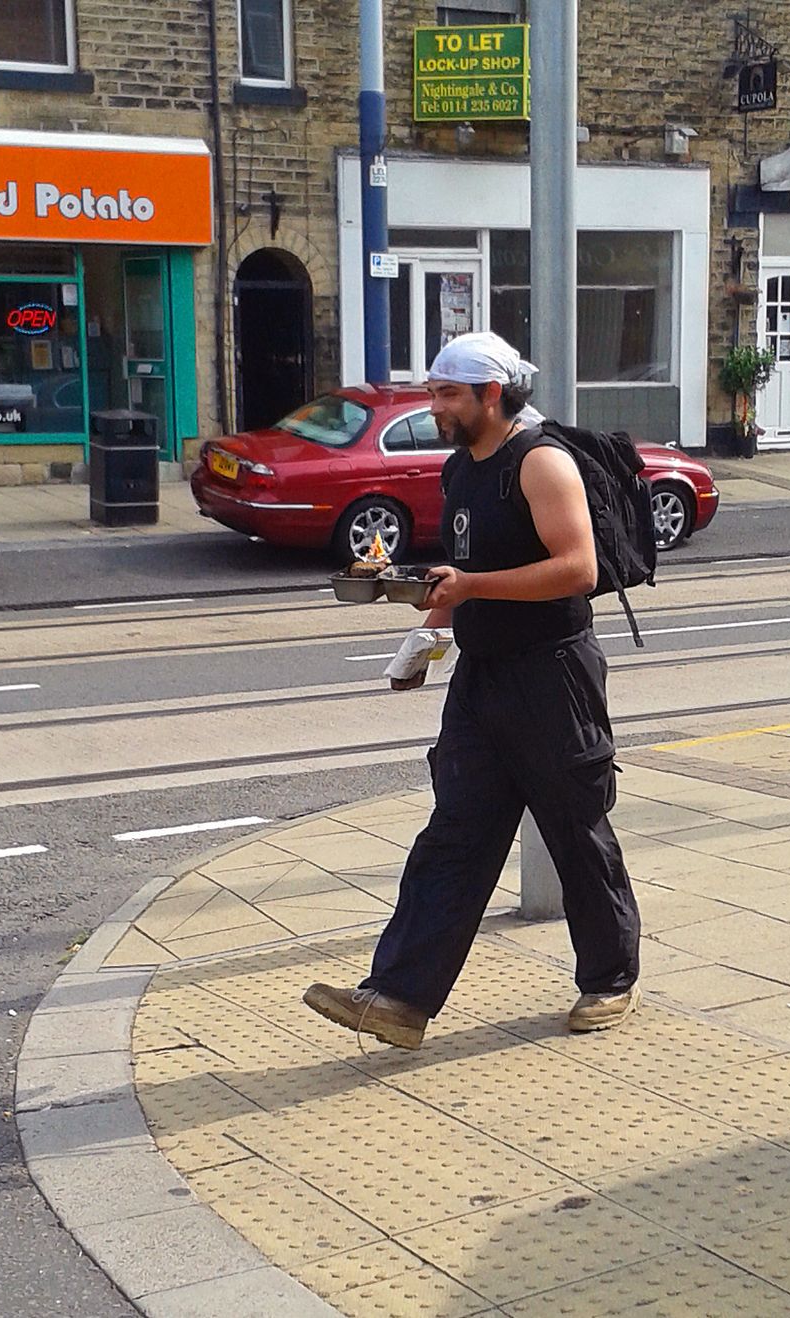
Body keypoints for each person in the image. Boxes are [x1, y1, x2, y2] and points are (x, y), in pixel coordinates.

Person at [304, 332, 641, 1049]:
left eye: (447, 394)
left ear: (492, 395)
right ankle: (398, 998)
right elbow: (460, 570)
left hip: (553, 677)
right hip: (483, 677)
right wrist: (423, 640)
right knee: (455, 833)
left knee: (575, 831)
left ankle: (610, 980)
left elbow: (577, 569)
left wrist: (473, 588)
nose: (434, 406)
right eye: (432, 393)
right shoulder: (462, 469)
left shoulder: (541, 462)